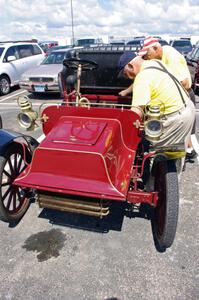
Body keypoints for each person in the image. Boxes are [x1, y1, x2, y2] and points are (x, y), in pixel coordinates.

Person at [120, 36, 197, 158]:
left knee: (154, 152)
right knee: (173, 152)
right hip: (186, 108)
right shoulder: (157, 64)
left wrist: (121, 128)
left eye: (125, 74)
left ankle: (158, 171)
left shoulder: (142, 77)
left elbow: (135, 113)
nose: (127, 77)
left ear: (131, 66)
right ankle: (175, 162)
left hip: (176, 118)